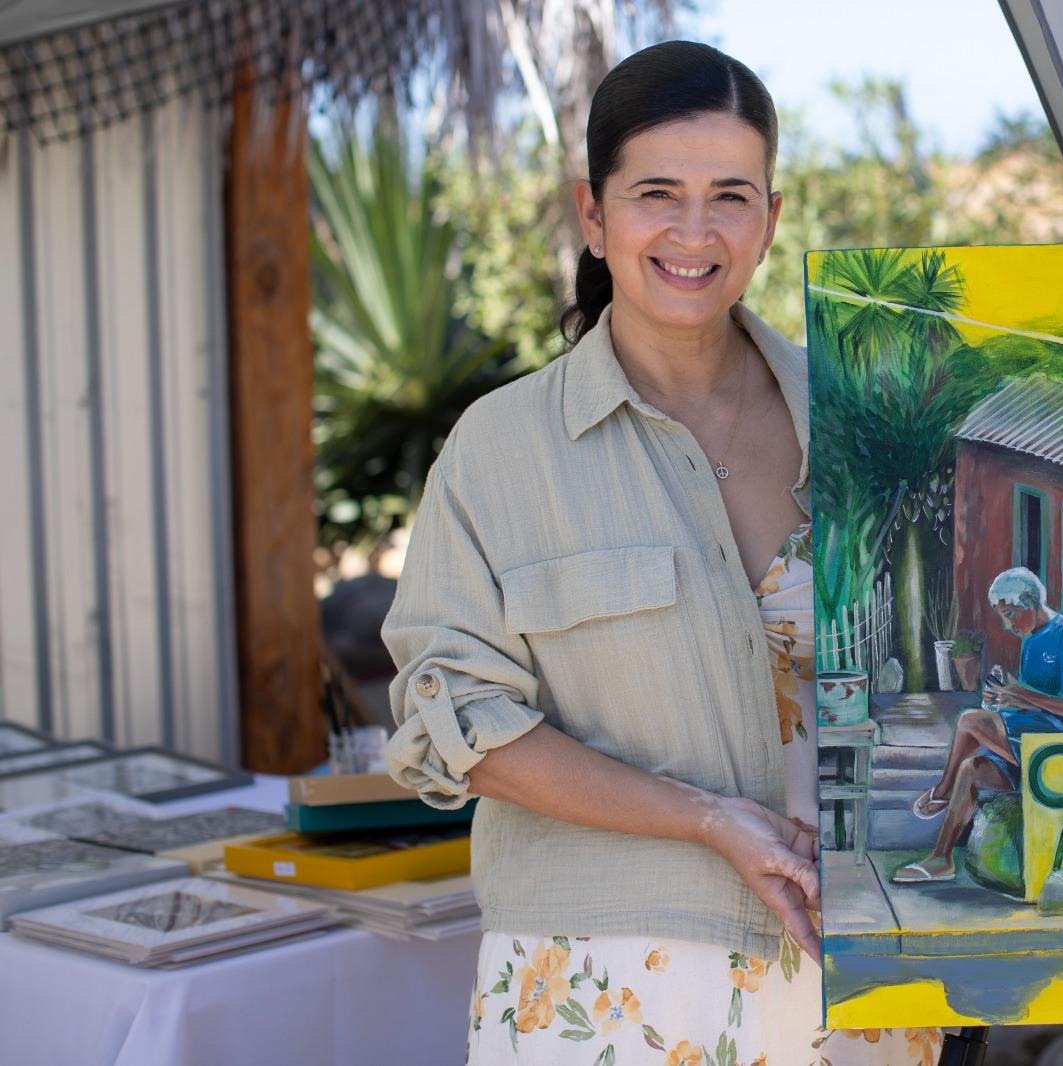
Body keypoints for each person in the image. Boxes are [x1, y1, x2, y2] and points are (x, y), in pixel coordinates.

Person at [382, 41, 941, 1065]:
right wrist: (705, 818)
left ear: (770, 216)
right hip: (604, 987)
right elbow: (456, 721)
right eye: (656, 194)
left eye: (730, 195)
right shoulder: (501, 451)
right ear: (593, 215)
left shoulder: (868, 421)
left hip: (858, 964)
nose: (694, 231)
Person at [892, 567, 1063, 885]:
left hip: (1061, 750)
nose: (1007, 625)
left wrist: (1020, 695)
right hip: (1027, 743)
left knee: (970, 720)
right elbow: (1039, 701)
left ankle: (941, 793)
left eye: (1010, 614)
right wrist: (1009, 699)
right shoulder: (1031, 640)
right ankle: (941, 859)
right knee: (970, 769)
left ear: (1030, 603)